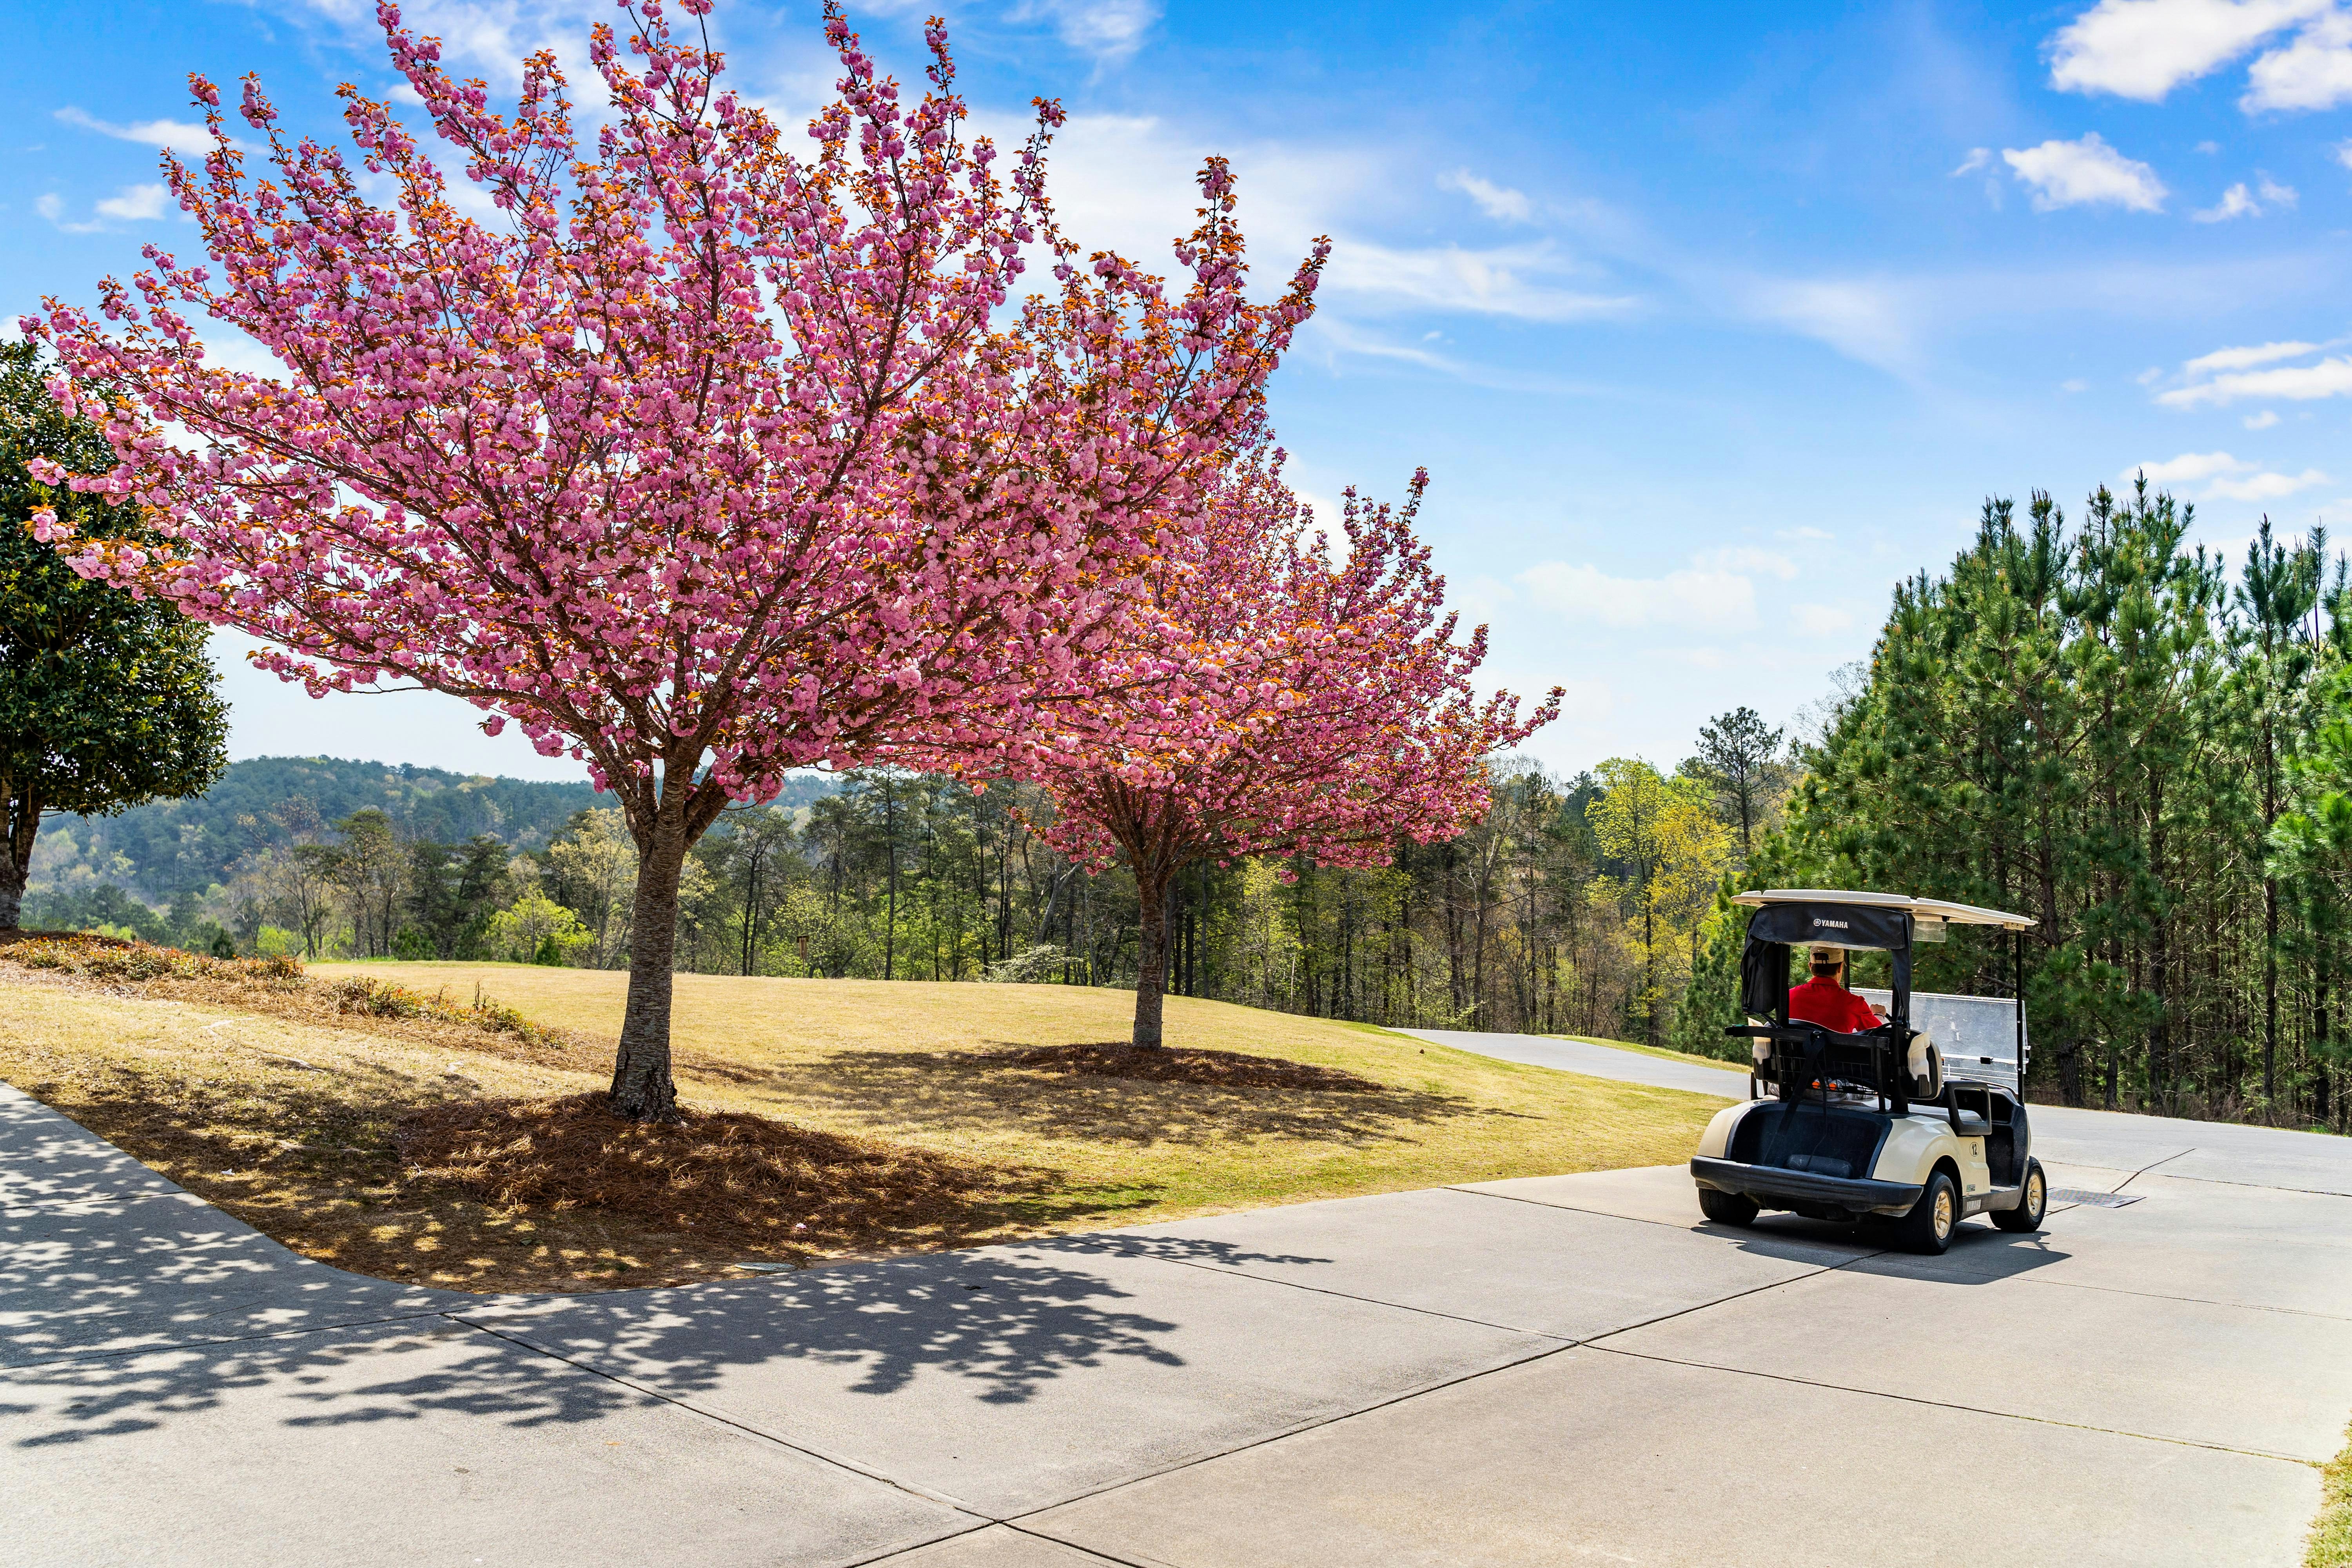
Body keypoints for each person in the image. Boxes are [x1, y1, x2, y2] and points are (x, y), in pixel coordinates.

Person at [1788, 945, 1886, 1033]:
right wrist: (1879, 1015)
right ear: (1840, 967)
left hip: (1792, 1054)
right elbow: (1877, 1034)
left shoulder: (1789, 996)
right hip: (1836, 1054)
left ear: (1810, 966)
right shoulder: (1854, 1003)